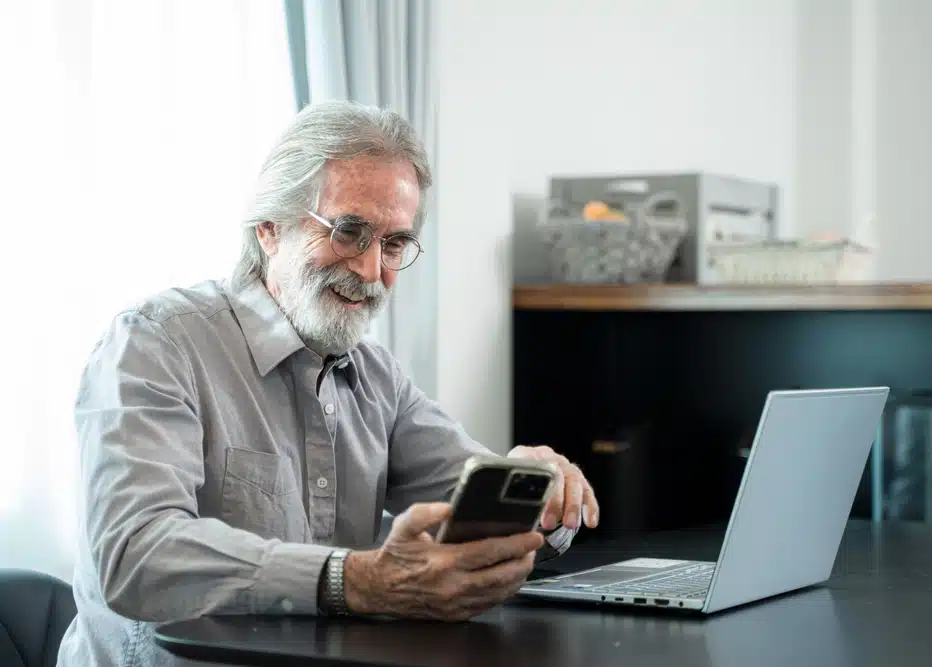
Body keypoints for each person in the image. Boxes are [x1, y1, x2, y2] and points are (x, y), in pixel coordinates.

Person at [56, 100, 600, 666]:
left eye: (393, 245)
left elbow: (470, 501)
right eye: (348, 231)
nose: (370, 271)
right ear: (269, 229)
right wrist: (356, 579)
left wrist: (538, 493)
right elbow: (136, 555)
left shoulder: (376, 374)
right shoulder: (153, 344)